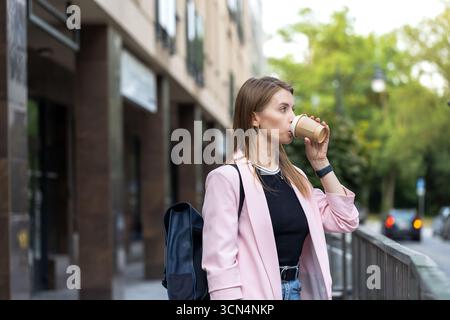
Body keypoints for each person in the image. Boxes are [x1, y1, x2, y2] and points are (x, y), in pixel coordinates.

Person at [201, 76, 359, 300]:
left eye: (292, 109)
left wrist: (321, 163)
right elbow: (219, 262)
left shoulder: (297, 179)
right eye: (283, 109)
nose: (293, 118)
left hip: (297, 291)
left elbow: (346, 219)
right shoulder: (227, 178)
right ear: (254, 118)